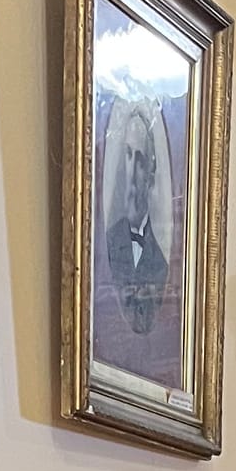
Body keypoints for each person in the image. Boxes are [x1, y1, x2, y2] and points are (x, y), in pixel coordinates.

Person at [106, 106, 170, 335]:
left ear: (151, 175)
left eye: (140, 160)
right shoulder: (108, 243)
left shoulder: (161, 263)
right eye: (128, 155)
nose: (131, 171)